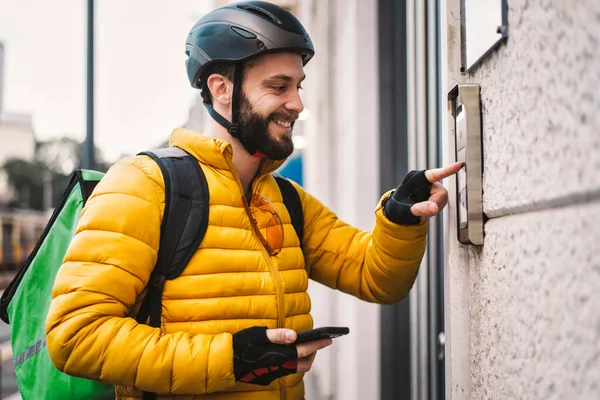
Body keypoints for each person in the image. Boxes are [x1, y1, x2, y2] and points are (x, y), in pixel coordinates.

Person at [46, 1, 462, 399]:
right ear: (221, 89)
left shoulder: (287, 200)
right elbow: (74, 336)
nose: (297, 104)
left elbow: (378, 278)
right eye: (278, 86)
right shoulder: (144, 185)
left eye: (298, 86)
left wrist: (400, 217)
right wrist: (230, 359)